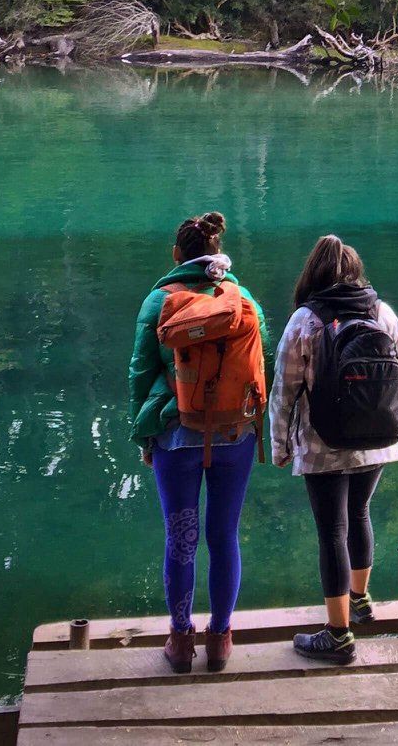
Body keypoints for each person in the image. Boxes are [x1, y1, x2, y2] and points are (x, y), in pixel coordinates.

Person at [128, 212, 269, 673]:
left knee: (181, 538)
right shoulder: (243, 299)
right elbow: (261, 360)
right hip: (235, 434)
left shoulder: (158, 301)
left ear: (176, 254)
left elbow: (140, 372)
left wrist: (144, 436)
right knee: (224, 535)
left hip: (175, 436)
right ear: (218, 253)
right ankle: (221, 639)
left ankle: (181, 639)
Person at [269, 234, 398, 665]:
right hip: (376, 441)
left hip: (320, 442)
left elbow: (283, 392)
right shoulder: (383, 314)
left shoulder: (305, 321)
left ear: (313, 274)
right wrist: (391, 430)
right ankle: (360, 601)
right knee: (359, 513)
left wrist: (279, 447)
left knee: (332, 531)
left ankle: (338, 635)